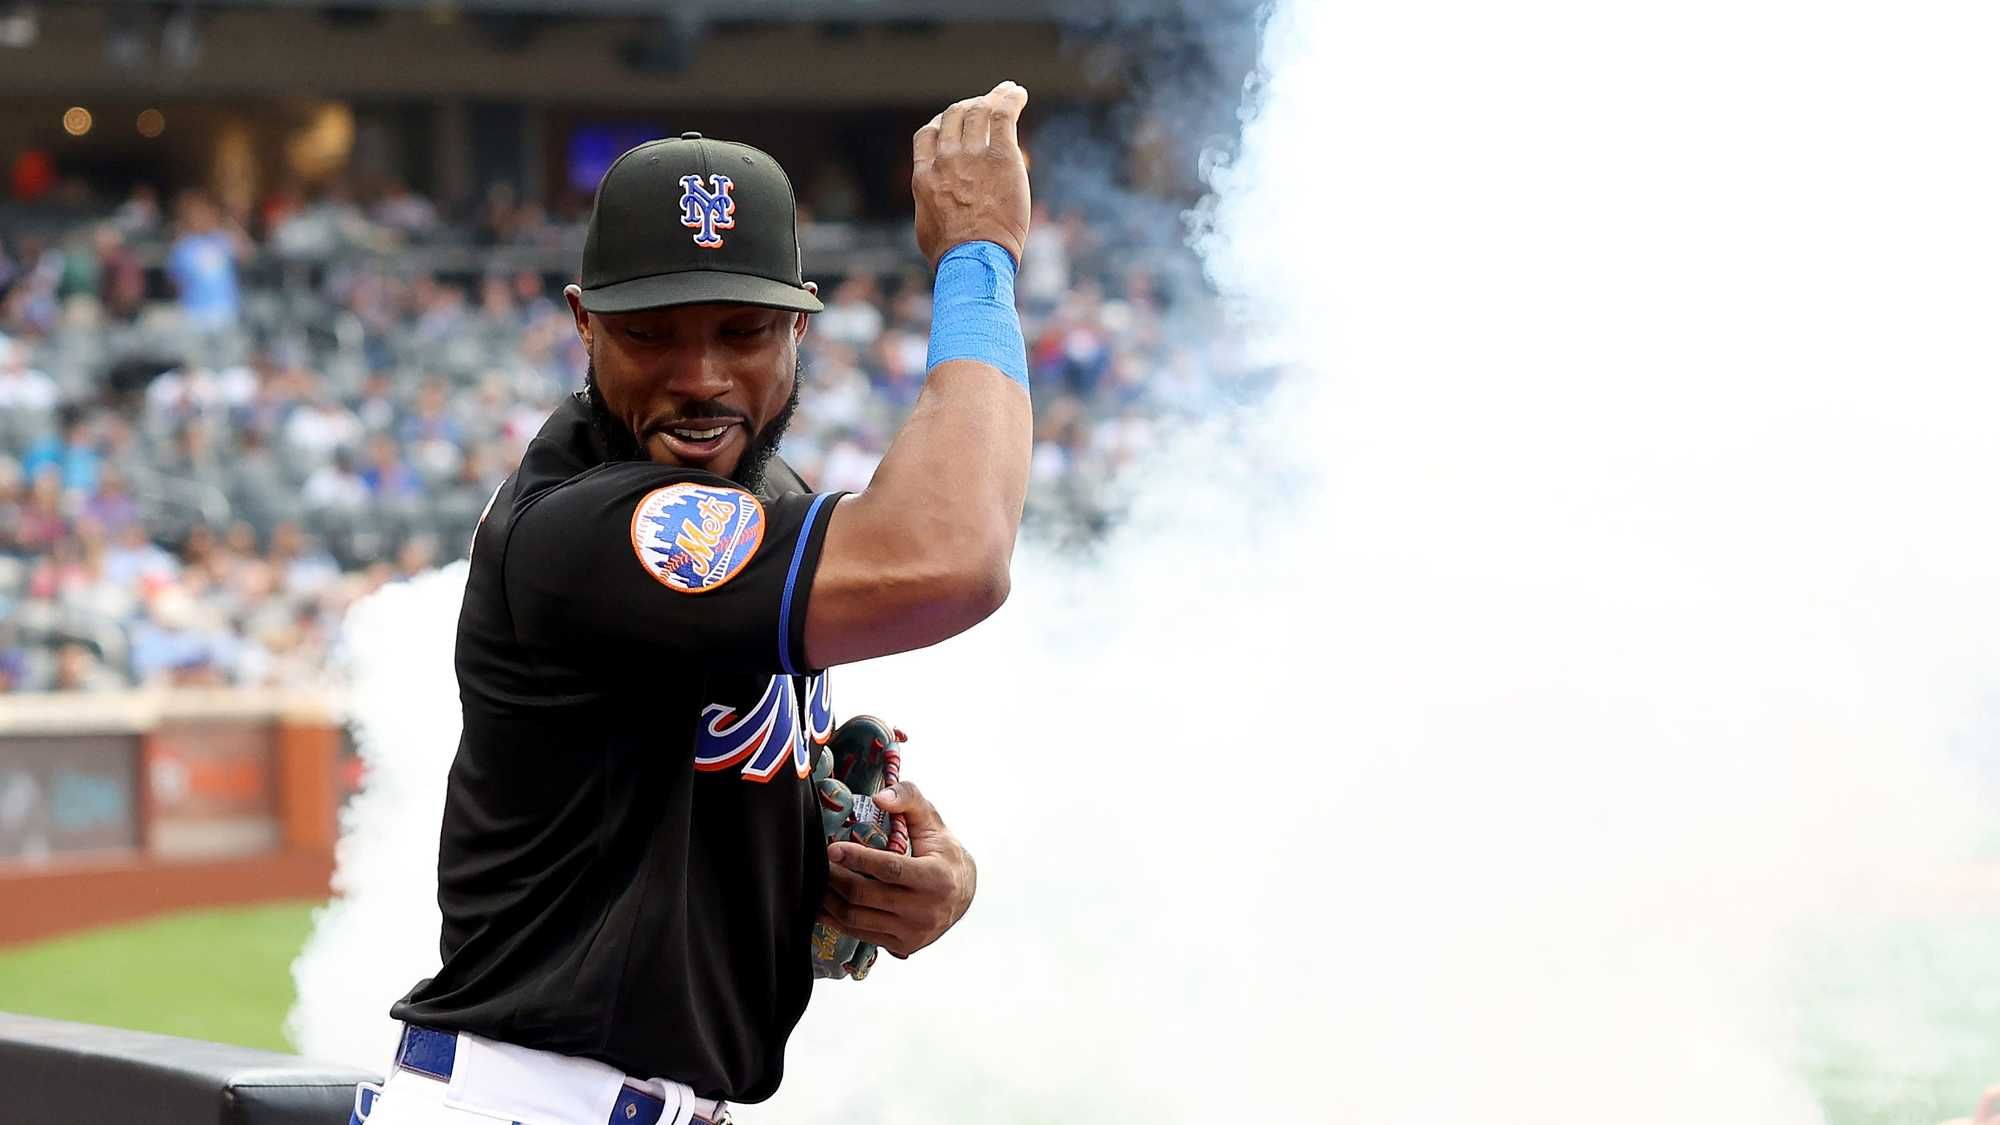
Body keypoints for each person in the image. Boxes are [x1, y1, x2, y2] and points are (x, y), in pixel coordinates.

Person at [361, 81, 1034, 1125]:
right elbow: (955, 557)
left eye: (743, 329)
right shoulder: (583, 523)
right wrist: (978, 261)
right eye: (652, 332)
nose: (702, 376)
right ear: (584, 326)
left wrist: (903, 871)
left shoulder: (765, 499)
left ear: (798, 328)